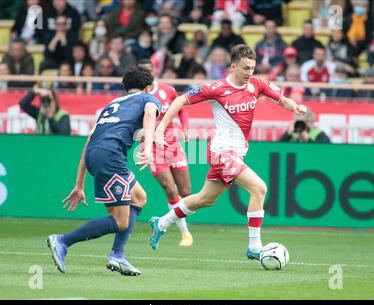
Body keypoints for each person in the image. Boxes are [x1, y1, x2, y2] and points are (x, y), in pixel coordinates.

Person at [148, 44, 307, 260]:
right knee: (259, 188)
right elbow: (180, 100)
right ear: (233, 66)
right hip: (221, 152)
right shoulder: (216, 88)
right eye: (245, 68)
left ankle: (161, 222)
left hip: (236, 153)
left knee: (204, 199)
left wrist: (295, 106)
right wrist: (160, 127)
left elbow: (283, 100)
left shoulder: (257, 84)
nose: (249, 72)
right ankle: (254, 247)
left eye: (252, 68)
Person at [46, 66, 162, 276]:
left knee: (139, 197)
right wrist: (147, 148)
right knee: (120, 220)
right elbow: (149, 115)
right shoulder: (148, 99)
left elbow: (89, 143)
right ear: (148, 87)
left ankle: (117, 255)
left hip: (96, 154)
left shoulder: (111, 105)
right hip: (111, 156)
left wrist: (79, 184)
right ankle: (62, 241)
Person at [137, 58, 193, 246]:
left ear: (154, 71)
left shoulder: (167, 90)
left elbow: (181, 109)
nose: (147, 74)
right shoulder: (138, 97)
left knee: (186, 192)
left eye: (149, 70)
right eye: (143, 71)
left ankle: (161, 223)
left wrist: (185, 128)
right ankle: (186, 234)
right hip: (152, 148)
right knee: (170, 189)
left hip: (172, 145)